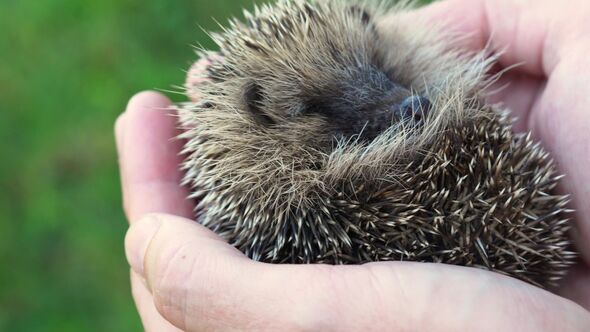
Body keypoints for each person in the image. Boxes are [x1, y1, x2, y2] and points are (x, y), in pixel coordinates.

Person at [115, 0, 590, 330]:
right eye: (325, 105)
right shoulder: (272, 187)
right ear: (261, 112)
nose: (401, 101)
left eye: (376, 74)